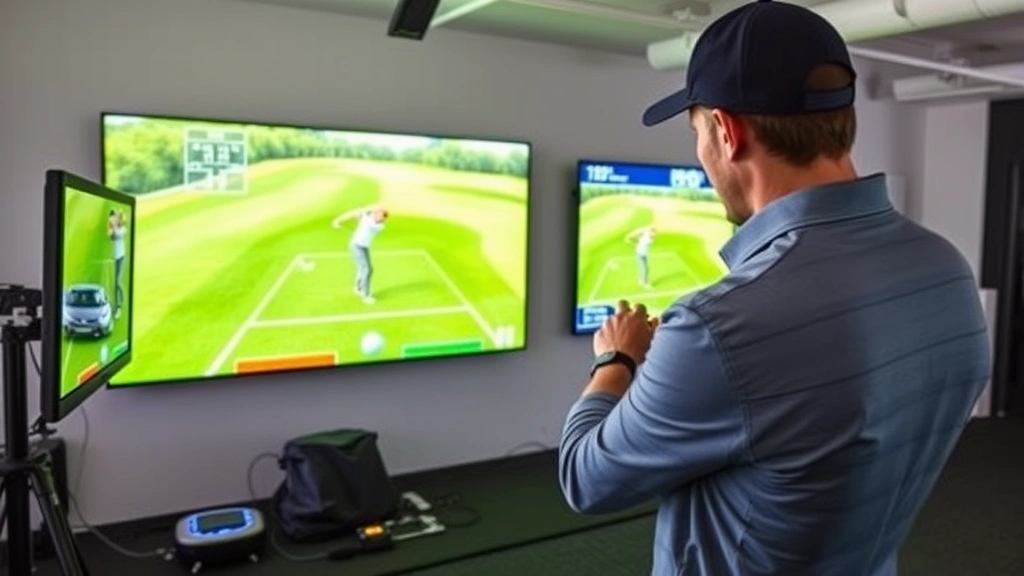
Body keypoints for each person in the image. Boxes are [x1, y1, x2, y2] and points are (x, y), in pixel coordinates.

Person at [557, 2, 991, 575]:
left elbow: (585, 479)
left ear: (728, 131)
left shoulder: (716, 327)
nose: (702, 157)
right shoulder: (947, 270)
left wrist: (615, 360)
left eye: (697, 134)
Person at [332, 205, 388, 304]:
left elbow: (360, 216)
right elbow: (354, 214)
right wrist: (340, 221)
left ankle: (358, 287)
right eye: (379, 215)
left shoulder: (379, 226)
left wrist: (363, 214)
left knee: (365, 268)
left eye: (382, 217)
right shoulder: (367, 217)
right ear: (375, 214)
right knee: (367, 269)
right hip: (356, 246)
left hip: (363, 246)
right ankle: (366, 295)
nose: (380, 218)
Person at [107, 209, 127, 318]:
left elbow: (118, 234)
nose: (117, 220)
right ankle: (117, 304)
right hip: (114, 258)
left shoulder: (123, 229)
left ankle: (120, 304)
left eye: (118, 219)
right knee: (115, 283)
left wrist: (113, 224)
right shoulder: (113, 230)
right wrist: (111, 224)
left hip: (121, 258)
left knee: (118, 282)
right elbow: (110, 236)